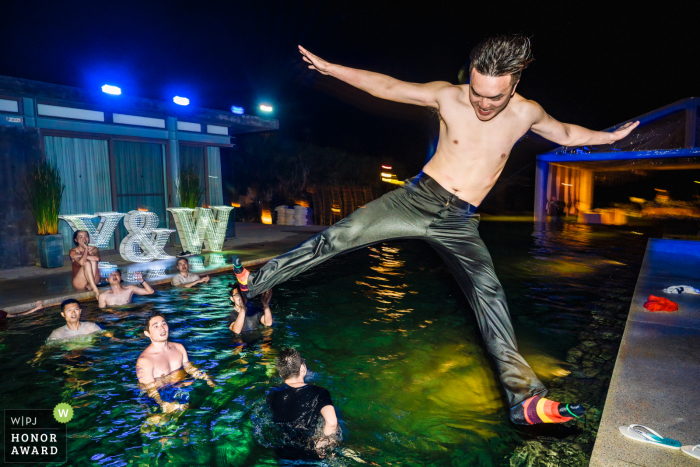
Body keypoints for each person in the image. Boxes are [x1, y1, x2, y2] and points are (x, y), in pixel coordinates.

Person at [233, 35, 636, 425]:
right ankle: (256, 282)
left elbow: (565, 133)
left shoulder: (527, 113)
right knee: (339, 235)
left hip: (460, 220)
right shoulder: (449, 96)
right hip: (416, 198)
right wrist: (332, 69)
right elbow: (389, 86)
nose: (481, 102)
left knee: (489, 293)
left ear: (515, 84)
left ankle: (525, 400)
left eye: (493, 97)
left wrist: (607, 136)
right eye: (476, 91)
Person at [136, 311, 216, 413]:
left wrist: (206, 378)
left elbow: (189, 368)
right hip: (157, 397)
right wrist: (164, 404)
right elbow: (150, 390)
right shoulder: (145, 361)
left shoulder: (179, 348)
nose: (162, 328)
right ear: (147, 333)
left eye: (164, 324)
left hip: (178, 388)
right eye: (155, 326)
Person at [267, 348, 339, 459]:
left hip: (283, 452)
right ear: (303, 368)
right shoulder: (320, 393)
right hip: (311, 452)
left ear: (281, 374)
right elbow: (332, 422)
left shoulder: (272, 393)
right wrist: (321, 446)